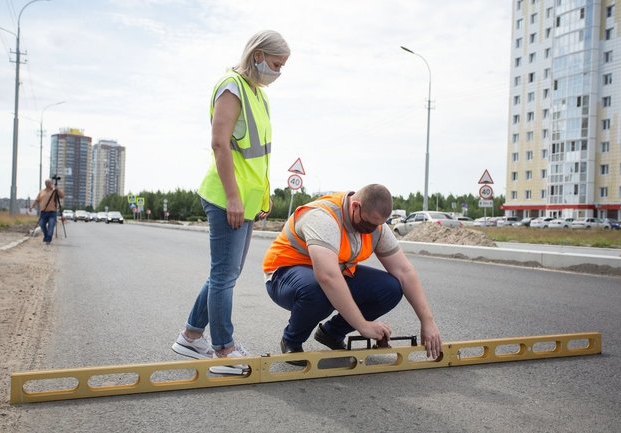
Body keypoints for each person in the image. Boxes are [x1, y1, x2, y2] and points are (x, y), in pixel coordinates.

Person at [172, 30, 291, 370]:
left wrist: (262, 197)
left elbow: (259, 156)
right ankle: (224, 351)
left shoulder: (259, 93)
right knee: (224, 275)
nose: (279, 72)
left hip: (247, 200)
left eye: (283, 67)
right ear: (257, 56)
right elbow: (220, 144)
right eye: (276, 64)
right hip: (227, 197)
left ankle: (192, 335)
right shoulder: (232, 86)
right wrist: (235, 197)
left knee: (226, 272)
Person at [263, 184, 442, 365]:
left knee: (391, 288)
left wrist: (427, 321)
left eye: (378, 225)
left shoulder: (376, 227)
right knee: (319, 289)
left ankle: (332, 333)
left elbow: (404, 271)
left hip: (333, 274)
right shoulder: (323, 218)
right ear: (355, 206)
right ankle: (291, 341)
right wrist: (363, 326)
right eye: (369, 223)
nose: (372, 229)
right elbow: (327, 276)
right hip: (284, 276)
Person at [31, 179, 64, 245]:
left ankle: (48, 239)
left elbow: (62, 196)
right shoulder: (42, 192)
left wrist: (57, 189)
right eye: (46, 183)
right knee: (41, 224)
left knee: (51, 225)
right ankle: (46, 235)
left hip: (52, 212)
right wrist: (32, 206)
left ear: (51, 183)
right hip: (43, 212)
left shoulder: (54, 191)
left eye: (49, 182)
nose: (48, 184)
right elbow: (37, 200)